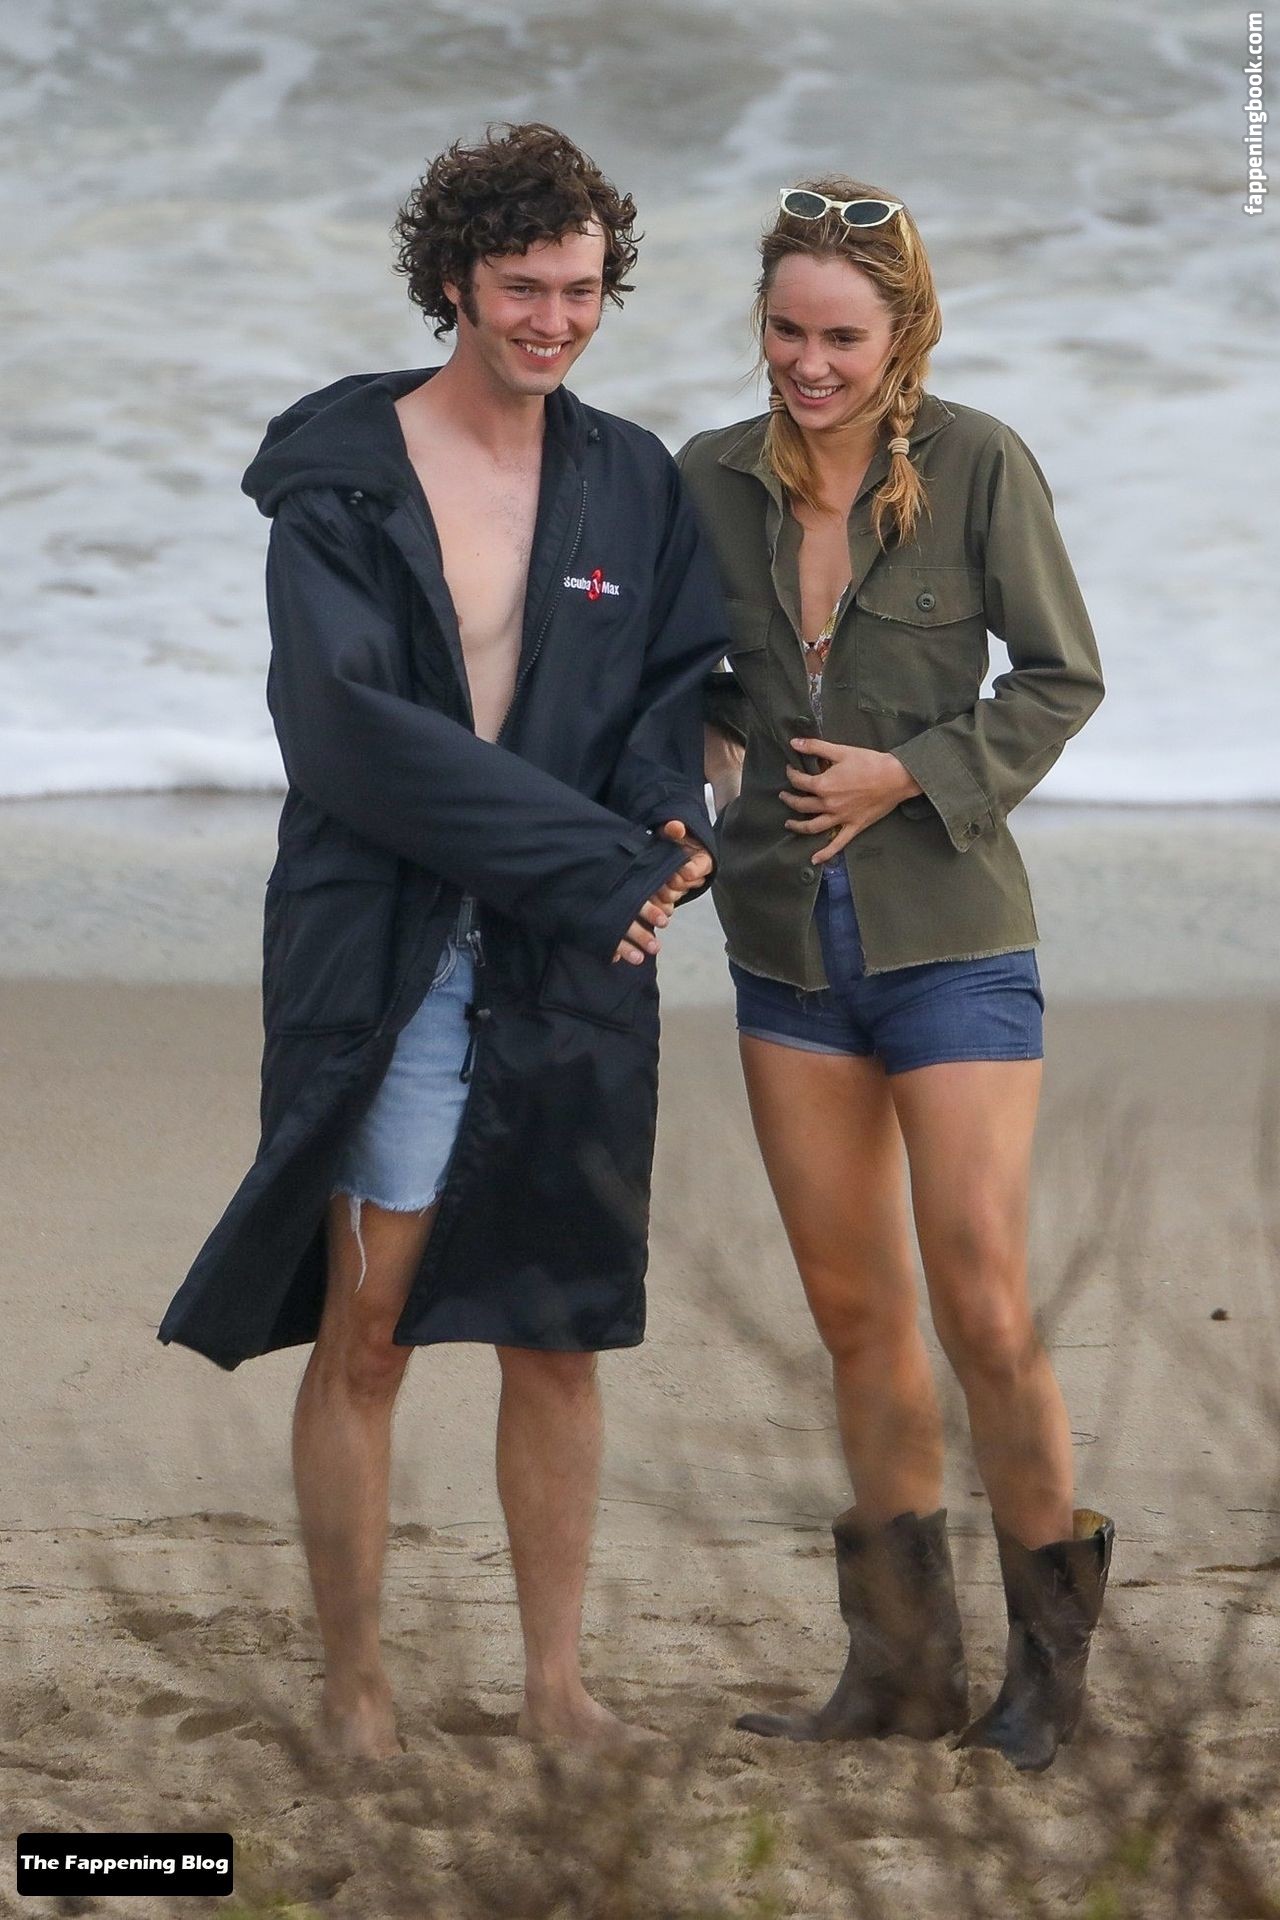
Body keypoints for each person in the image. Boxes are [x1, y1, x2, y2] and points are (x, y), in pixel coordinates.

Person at [159, 123, 726, 1760]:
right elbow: (343, 733)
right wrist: (592, 866)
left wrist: (666, 825)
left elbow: (665, 700)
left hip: (575, 955)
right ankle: (356, 1691)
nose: (555, 321)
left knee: (557, 1334)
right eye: (523, 288)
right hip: (392, 947)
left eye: (582, 291)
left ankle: (557, 1690)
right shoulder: (346, 476)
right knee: (373, 1331)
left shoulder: (632, 480)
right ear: (455, 284)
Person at [679, 179, 1112, 1773]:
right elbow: (673, 680)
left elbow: (1061, 677)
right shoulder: (705, 478)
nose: (809, 363)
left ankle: (1048, 1686)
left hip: (952, 943)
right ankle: (902, 1674)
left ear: (903, 334)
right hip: (784, 946)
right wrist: (686, 774)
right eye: (787, 331)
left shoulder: (981, 463)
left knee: (983, 1299)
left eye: (842, 338)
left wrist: (911, 772)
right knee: (857, 1313)